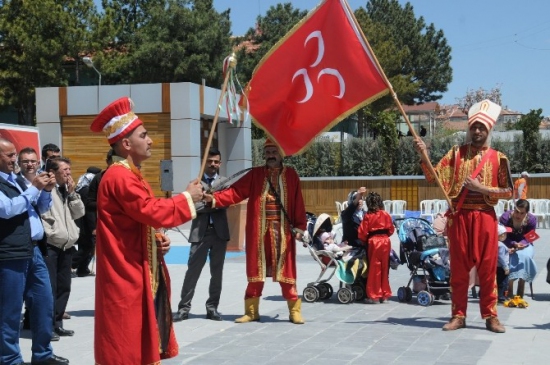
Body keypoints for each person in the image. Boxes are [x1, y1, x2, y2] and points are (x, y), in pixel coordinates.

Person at [89, 96, 203, 365]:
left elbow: (140, 221)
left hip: (135, 269)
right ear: (126, 144)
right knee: (125, 344)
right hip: (125, 274)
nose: (150, 140)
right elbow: (151, 210)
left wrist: (157, 240)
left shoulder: (131, 173)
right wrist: (188, 197)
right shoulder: (120, 176)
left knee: (137, 339)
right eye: (145, 135)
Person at [413, 99, 512, 333]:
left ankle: (491, 316)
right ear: (469, 128)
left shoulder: (499, 157)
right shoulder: (456, 154)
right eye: (474, 127)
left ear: (488, 130)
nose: (477, 131)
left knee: (488, 268)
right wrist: (424, 154)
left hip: (485, 218)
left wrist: (482, 189)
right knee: (458, 269)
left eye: (482, 127)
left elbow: (508, 191)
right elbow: (433, 177)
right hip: (459, 217)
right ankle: (458, 315)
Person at [203, 138, 307, 324]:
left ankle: (294, 310)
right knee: (256, 271)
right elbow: (235, 192)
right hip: (259, 232)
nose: (270, 156)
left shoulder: (291, 175)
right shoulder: (256, 174)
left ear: (281, 154)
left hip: (282, 232)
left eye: (273, 152)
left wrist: (300, 227)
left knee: (286, 272)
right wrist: (213, 199)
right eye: (267, 153)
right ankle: (251, 312)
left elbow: (298, 202)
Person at [0, 138, 69, 365]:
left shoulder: (17, 180)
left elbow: (40, 207)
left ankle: (43, 354)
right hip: (10, 254)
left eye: (14, 155)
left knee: (43, 303)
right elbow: (8, 209)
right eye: (10, 155)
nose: (14, 160)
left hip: (34, 250)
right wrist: (35, 188)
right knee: (9, 312)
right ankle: (10, 359)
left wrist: (46, 191)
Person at [173, 148, 230, 322]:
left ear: (220, 163)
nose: (213, 164)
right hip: (200, 233)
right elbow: (191, 207)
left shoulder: (224, 183)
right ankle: (183, 308)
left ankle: (212, 307)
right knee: (192, 272)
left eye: (216, 162)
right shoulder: (194, 184)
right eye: (210, 161)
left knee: (217, 273)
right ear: (204, 163)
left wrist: (209, 202)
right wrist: (211, 202)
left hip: (219, 234)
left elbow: (225, 204)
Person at [41, 157, 85, 338]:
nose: (68, 173)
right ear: (53, 172)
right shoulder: (45, 190)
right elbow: (43, 214)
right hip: (52, 245)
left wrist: (73, 193)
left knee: (64, 286)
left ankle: (57, 322)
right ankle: (47, 326)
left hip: (67, 246)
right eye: (64, 170)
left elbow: (79, 212)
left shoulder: (66, 191)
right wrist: (51, 233)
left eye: (69, 170)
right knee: (49, 288)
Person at [358, 191, 395, 304]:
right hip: (385, 241)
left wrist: (365, 241)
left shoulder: (368, 216)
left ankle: (374, 296)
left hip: (373, 242)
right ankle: (385, 295)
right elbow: (391, 230)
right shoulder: (385, 214)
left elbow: (362, 233)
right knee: (385, 268)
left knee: (374, 269)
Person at [84, 148, 114, 277]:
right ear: (107, 162)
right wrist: (108, 205)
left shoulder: (131, 177)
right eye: (113, 162)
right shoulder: (99, 178)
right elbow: (89, 204)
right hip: (105, 227)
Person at [499, 199, 538, 298]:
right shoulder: (505, 218)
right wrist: (512, 244)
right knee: (509, 257)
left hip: (525, 244)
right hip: (507, 243)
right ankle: (510, 287)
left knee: (524, 257)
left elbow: (529, 237)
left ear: (527, 213)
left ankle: (521, 285)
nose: (518, 215)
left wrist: (520, 244)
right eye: (516, 211)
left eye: (522, 213)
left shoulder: (531, 220)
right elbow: (502, 236)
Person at [72, 166, 101, 277]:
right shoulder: (88, 190)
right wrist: (93, 227)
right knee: (88, 246)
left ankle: (83, 268)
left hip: (81, 222)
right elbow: (89, 211)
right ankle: (71, 263)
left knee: (85, 245)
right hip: (86, 223)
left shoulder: (80, 188)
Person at [497, 224, 511, 303]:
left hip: (497, 267)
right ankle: (501, 297)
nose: (506, 236)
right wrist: (505, 267)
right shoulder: (501, 245)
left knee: (497, 281)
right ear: (501, 235)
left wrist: (507, 250)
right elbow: (501, 257)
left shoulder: (496, 244)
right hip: (502, 267)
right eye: (505, 234)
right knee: (503, 282)